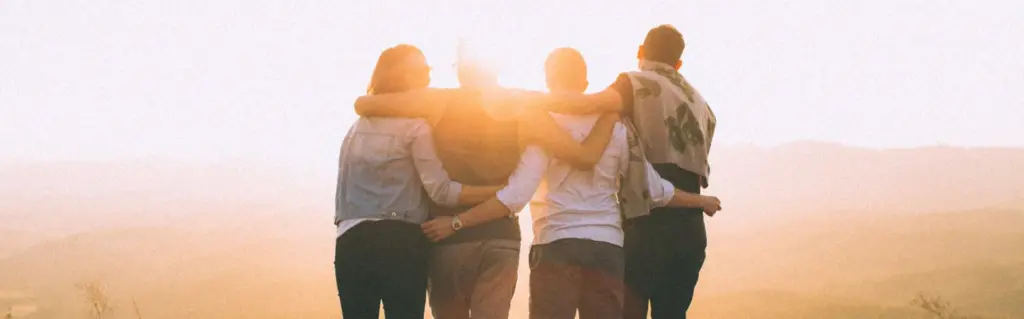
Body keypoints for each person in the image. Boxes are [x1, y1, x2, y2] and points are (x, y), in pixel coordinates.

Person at [354, 46, 621, 319]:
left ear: (459, 69)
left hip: (448, 238)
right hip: (500, 238)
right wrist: (612, 107)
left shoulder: (437, 101)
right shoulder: (522, 104)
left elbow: (365, 104)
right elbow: (583, 154)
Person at [493, 48, 721, 319]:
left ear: (548, 82)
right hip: (606, 248)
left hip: (555, 243)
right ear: (586, 84)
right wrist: (700, 200)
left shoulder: (542, 126)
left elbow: (518, 193)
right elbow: (654, 189)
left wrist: (461, 218)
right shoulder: (617, 127)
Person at [333, 44, 503, 318]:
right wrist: (496, 193)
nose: (428, 76)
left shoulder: (355, 129)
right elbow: (441, 192)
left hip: (350, 240)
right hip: (401, 240)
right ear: (403, 76)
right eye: (422, 70)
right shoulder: (416, 127)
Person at [605, 25, 719, 319]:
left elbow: (596, 110)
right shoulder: (702, 104)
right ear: (678, 64)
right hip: (690, 231)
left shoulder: (631, 83)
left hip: (644, 227)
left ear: (640, 52)